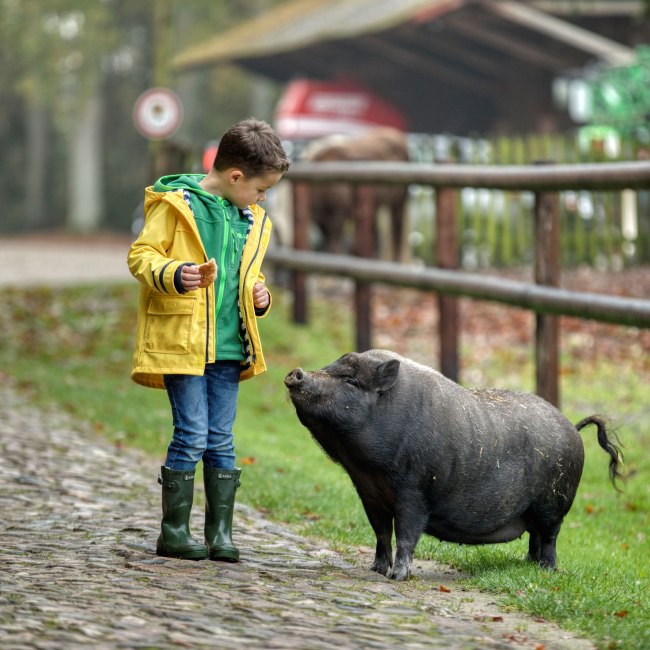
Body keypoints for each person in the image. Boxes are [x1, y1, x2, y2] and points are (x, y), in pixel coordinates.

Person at [127, 118, 290, 562]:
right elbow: (142, 256)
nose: (263, 198)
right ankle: (174, 532)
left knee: (221, 439)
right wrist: (176, 274)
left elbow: (249, 275)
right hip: (183, 342)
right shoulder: (176, 205)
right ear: (236, 176)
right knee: (192, 433)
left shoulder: (252, 219)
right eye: (260, 189)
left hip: (229, 347)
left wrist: (260, 296)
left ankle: (221, 534)